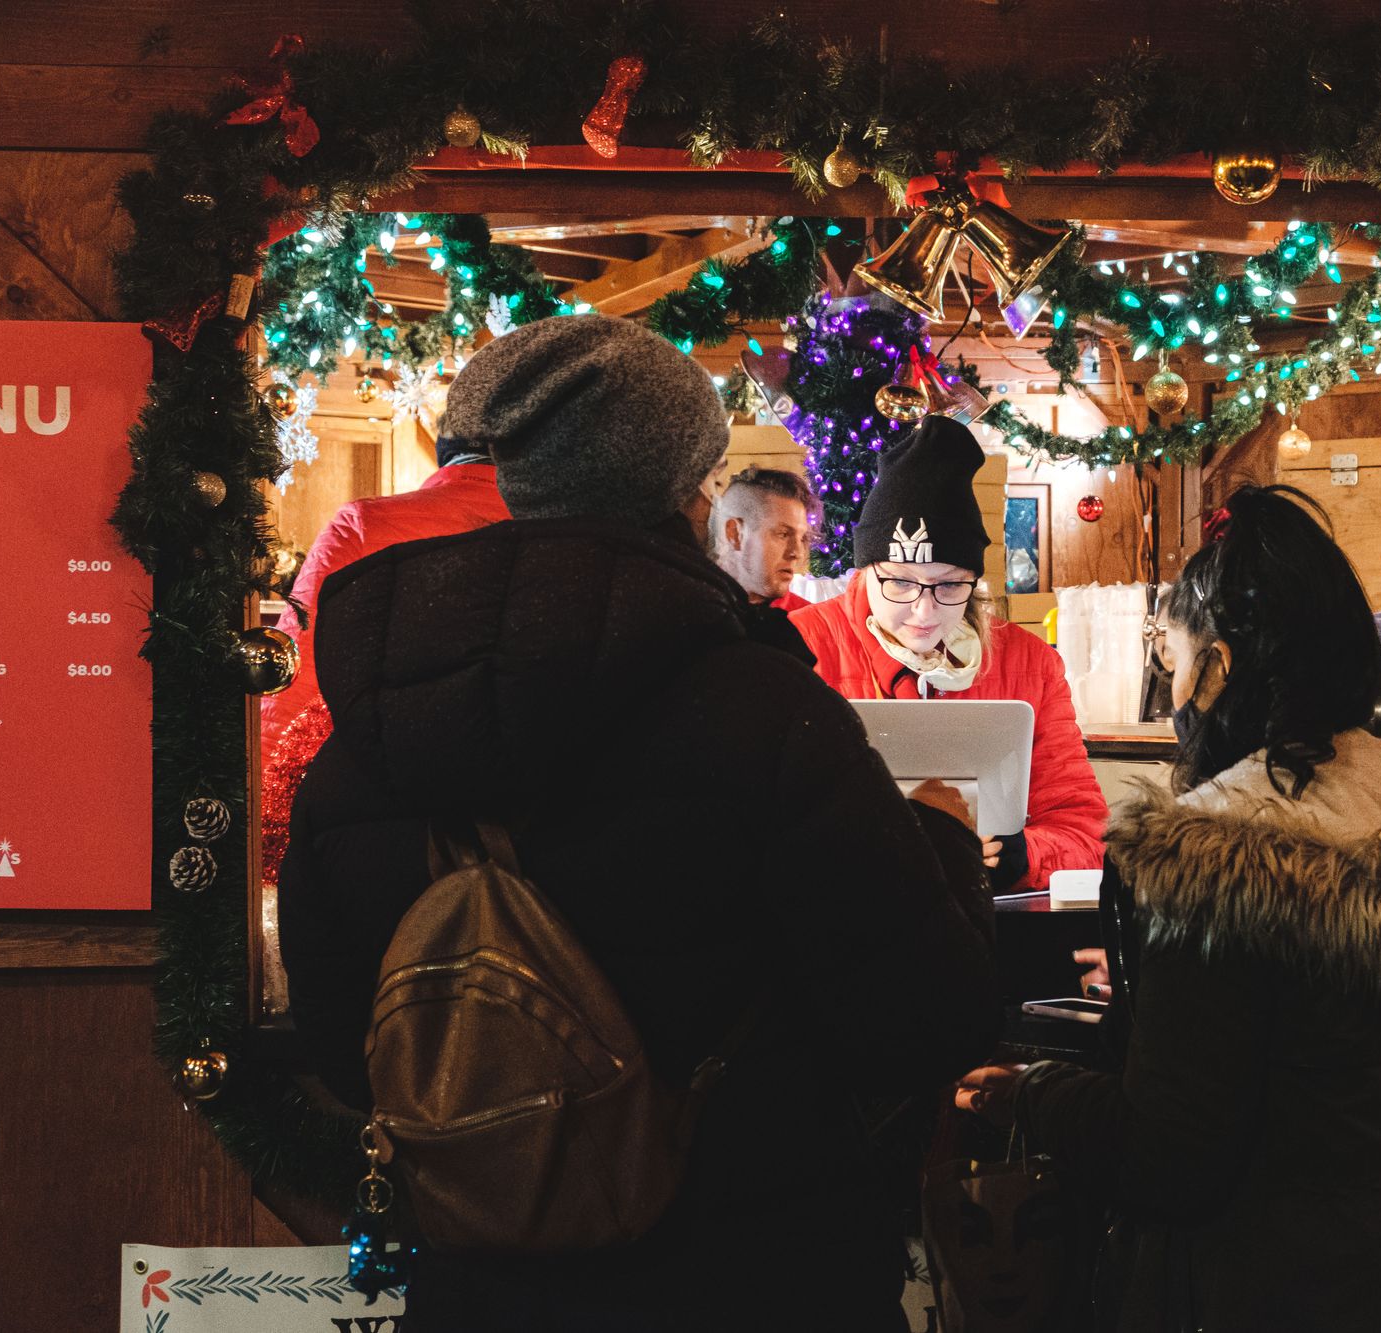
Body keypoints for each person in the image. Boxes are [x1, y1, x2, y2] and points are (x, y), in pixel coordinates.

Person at [279, 315, 1001, 1332]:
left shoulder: (371, 731)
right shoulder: (765, 714)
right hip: (755, 1275)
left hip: (487, 1287)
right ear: (687, 493)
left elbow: (346, 1044)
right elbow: (923, 1019)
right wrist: (939, 846)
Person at [954, 486, 1381, 1331]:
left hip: (1257, 1282)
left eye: (1177, 658)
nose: (1175, 684)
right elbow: (1328, 1043)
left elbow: (1170, 1153)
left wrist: (1034, 1095)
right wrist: (1161, 1000)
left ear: (1221, 667)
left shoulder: (1220, 847)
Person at [788, 416, 1106, 893]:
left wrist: (1024, 855)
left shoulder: (1031, 664)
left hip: (986, 929)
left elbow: (1083, 831)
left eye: (950, 585)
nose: (923, 610)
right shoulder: (801, 647)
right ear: (864, 571)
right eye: (898, 581)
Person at [258, 426, 509, 755]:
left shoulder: (364, 524)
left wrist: (268, 791)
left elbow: (298, 670)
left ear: (447, 453)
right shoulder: (574, 535)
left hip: (395, 776)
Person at [709, 465, 816, 612]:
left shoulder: (808, 622)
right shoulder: (685, 613)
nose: (797, 553)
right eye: (783, 534)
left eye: (802, 538)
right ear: (735, 534)